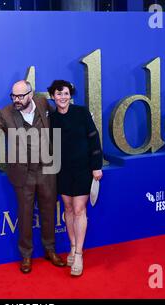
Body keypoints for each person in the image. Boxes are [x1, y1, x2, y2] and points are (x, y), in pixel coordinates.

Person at [0, 80, 65, 273]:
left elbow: (60, 120)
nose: (16, 100)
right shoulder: (6, 113)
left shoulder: (43, 104)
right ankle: (26, 256)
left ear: (30, 94)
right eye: (13, 96)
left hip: (47, 169)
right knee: (25, 214)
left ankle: (50, 250)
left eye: (21, 96)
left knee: (49, 212)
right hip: (23, 173)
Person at [48, 80, 103, 277]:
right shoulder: (52, 118)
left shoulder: (81, 113)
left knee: (80, 209)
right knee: (68, 209)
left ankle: (79, 254)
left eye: (66, 93)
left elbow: (94, 138)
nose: (62, 97)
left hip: (83, 169)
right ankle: (72, 246)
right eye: (58, 94)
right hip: (62, 171)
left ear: (70, 95)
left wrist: (97, 165)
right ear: (52, 96)